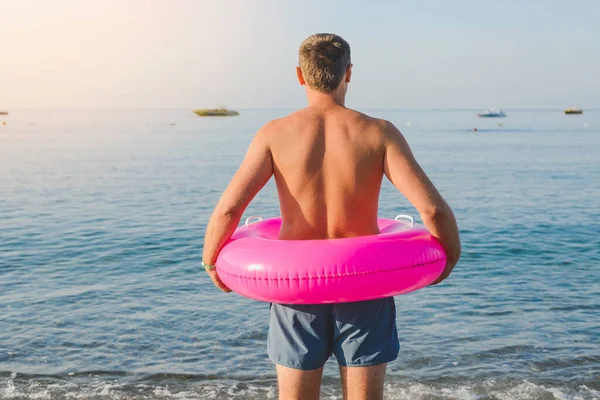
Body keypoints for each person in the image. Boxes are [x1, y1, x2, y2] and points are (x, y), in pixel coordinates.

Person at [202, 33, 461, 400]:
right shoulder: (378, 133)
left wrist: (211, 263)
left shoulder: (274, 134)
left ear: (300, 75)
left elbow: (229, 209)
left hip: (296, 289)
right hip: (364, 283)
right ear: (349, 73)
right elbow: (432, 208)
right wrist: (449, 256)